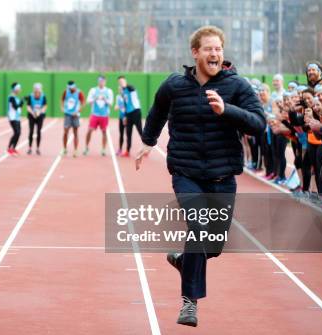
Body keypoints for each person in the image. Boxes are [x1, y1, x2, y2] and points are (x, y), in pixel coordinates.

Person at [135, 25, 265, 327]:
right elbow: (156, 113)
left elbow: (258, 123)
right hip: (186, 173)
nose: (215, 54)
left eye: (218, 48)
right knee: (199, 225)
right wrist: (147, 142)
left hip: (222, 177)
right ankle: (189, 303)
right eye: (209, 49)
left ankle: (184, 261)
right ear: (195, 53)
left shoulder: (236, 86)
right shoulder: (175, 85)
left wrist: (227, 110)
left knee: (214, 244)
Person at [83, 75, 113, 156]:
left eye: (103, 81)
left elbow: (110, 104)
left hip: (104, 115)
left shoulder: (109, 91)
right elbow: (88, 101)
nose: (101, 82)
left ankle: (103, 149)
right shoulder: (93, 90)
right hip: (95, 114)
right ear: (98, 81)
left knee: (104, 132)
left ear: (105, 81)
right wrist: (95, 98)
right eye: (100, 81)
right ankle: (86, 147)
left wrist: (105, 99)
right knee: (89, 130)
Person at [118, 75, 143, 157]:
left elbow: (130, 87)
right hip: (128, 114)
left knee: (140, 130)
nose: (121, 83)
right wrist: (124, 116)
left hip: (136, 112)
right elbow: (125, 104)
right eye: (120, 82)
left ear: (125, 81)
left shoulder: (130, 88)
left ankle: (147, 148)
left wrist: (124, 86)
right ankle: (127, 151)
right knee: (128, 133)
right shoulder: (123, 92)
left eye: (122, 81)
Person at [61, 80, 85, 157]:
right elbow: (62, 99)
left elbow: (83, 103)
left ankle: (75, 150)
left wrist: (78, 111)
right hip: (67, 114)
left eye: (71, 88)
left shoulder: (79, 93)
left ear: (74, 86)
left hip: (75, 115)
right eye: (69, 88)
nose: (70, 89)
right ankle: (64, 149)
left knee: (75, 133)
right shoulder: (66, 92)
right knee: (65, 132)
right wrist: (62, 107)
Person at [25, 83, 47, 155]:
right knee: (31, 131)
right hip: (32, 115)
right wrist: (33, 113)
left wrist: (39, 112)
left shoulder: (43, 96)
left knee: (38, 131)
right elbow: (28, 106)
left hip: (40, 116)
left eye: (38, 90)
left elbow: (44, 106)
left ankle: (38, 148)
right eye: (36, 90)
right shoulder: (30, 96)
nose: (37, 92)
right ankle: (30, 148)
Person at [7, 82, 23, 155]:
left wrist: (21, 103)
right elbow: (15, 107)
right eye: (18, 89)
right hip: (12, 118)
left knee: (18, 133)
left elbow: (19, 107)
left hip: (17, 118)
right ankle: (9, 148)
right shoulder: (11, 97)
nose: (19, 90)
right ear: (15, 89)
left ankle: (13, 148)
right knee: (16, 132)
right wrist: (21, 102)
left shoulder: (16, 97)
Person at [114, 86, 127, 155]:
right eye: (119, 90)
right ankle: (120, 149)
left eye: (121, 90)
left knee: (128, 134)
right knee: (121, 134)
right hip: (121, 117)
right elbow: (116, 107)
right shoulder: (118, 97)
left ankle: (127, 150)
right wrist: (117, 106)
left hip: (127, 118)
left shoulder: (127, 96)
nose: (120, 91)